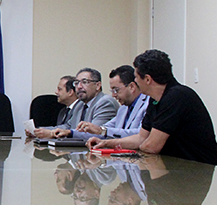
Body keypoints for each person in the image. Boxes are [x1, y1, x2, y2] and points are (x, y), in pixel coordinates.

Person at [88, 50, 217, 165]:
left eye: (137, 78)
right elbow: (141, 138)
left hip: (197, 169)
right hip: (175, 166)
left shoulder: (177, 96)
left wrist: (129, 153)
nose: (136, 82)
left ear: (148, 79)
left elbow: (151, 146)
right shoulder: (155, 100)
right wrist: (106, 143)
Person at [57, 65, 149, 140]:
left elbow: (140, 134)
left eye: (116, 90)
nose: (113, 95)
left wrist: (102, 131)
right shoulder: (123, 108)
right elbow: (101, 130)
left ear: (132, 87)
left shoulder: (148, 104)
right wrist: (71, 132)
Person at [34, 68, 118, 139]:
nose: (79, 86)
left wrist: (63, 133)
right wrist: (39, 131)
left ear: (98, 85)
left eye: (85, 82)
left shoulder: (105, 103)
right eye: (77, 83)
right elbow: (67, 126)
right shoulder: (80, 104)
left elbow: (96, 134)